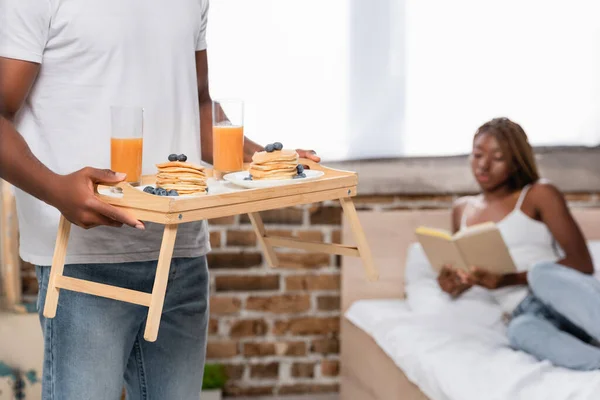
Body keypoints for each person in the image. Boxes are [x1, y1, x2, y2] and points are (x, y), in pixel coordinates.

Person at [0, 0, 320, 398]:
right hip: (83, 262)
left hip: (180, 257)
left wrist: (271, 162)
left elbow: (199, 104)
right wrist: (55, 189)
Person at [437, 117, 599, 371]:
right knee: (518, 330)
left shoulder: (538, 194)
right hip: (525, 312)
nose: (484, 165)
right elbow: (466, 271)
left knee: (540, 272)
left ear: (515, 163)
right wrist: (453, 284)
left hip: (562, 294)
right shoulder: (462, 209)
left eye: (498, 158)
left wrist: (508, 279)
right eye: (477, 154)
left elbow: (583, 263)